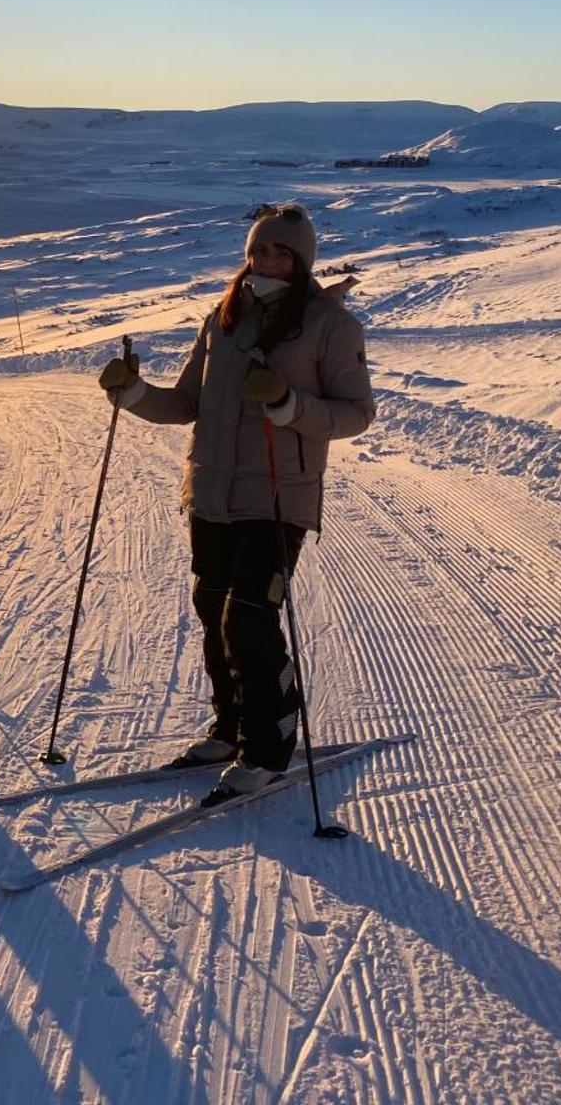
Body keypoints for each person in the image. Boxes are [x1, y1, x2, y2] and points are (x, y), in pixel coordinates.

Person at [98, 202, 374, 800]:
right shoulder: (221, 319)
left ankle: (270, 741)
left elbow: (357, 414)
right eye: (257, 248)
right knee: (213, 610)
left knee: (248, 617)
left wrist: (288, 405)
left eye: (279, 250)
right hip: (212, 494)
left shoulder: (330, 325)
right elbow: (186, 405)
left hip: (278, 496)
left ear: (302, 260)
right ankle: (230, 726)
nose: (264, 259)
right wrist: (133, 393)